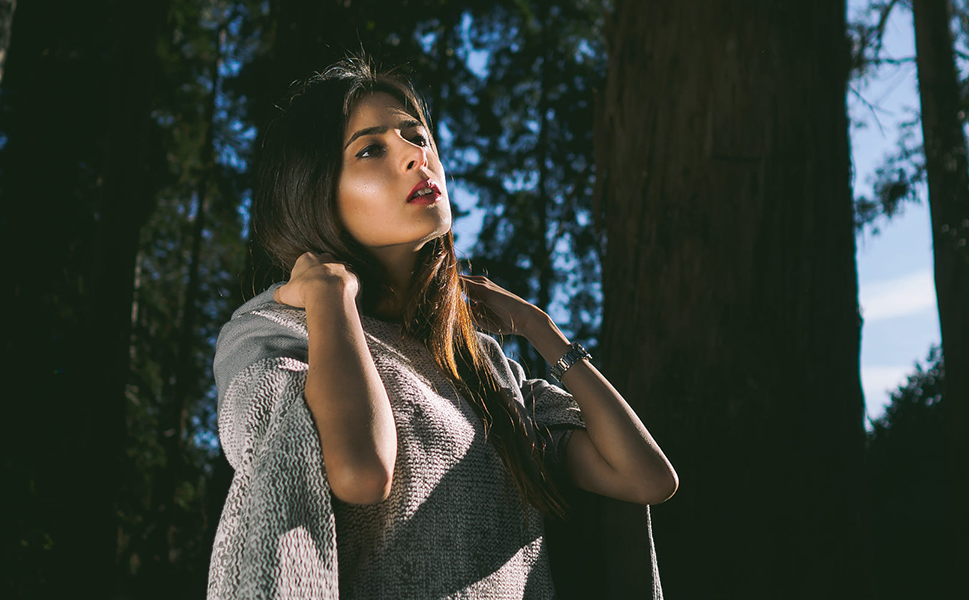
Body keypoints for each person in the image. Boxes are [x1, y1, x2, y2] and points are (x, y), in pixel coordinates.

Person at [207, 57, 677, 600]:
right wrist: (330, 294)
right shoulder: (276, 331)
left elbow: (646, 478)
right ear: (315, 191)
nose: (416, 155)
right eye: (371, 149)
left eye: (417, 137)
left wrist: (538, 328)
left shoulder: (482, 364)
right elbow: (361, 471)